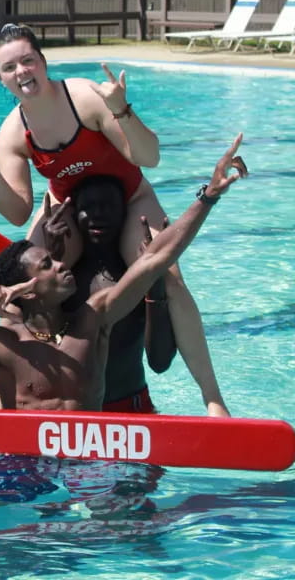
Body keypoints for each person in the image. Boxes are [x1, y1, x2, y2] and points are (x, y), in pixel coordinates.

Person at [0, 22, 229, 416]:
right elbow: (17, 213)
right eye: (9, 67)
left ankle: (212, 398)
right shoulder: (13, 133)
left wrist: (120, 108)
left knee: (168, 275)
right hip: (67, 205)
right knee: (25, 284)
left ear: (43, 61)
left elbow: (149, 158)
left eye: (28, 61)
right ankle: (2, 402)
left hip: (129, 194)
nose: (22, 72)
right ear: (0, 78)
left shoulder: (85, 98)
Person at [0, 135, 247, 413]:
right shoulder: (3, 343)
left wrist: (208, 196)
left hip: (92, 456)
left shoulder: (92, 318)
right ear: (28, 289)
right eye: (48, 264)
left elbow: (154, 259)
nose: (61, 263)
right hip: (27, 460)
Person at [54, 175, 177, 412]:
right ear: (73, 214)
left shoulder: (136, 276)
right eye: (87, 208)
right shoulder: (64, 278)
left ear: (125, 213)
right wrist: (53, 256)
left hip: (132, 409)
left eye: (108, 206)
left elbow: (160, 362)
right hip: (73, 414)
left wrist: (154, 279)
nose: (98, 214)